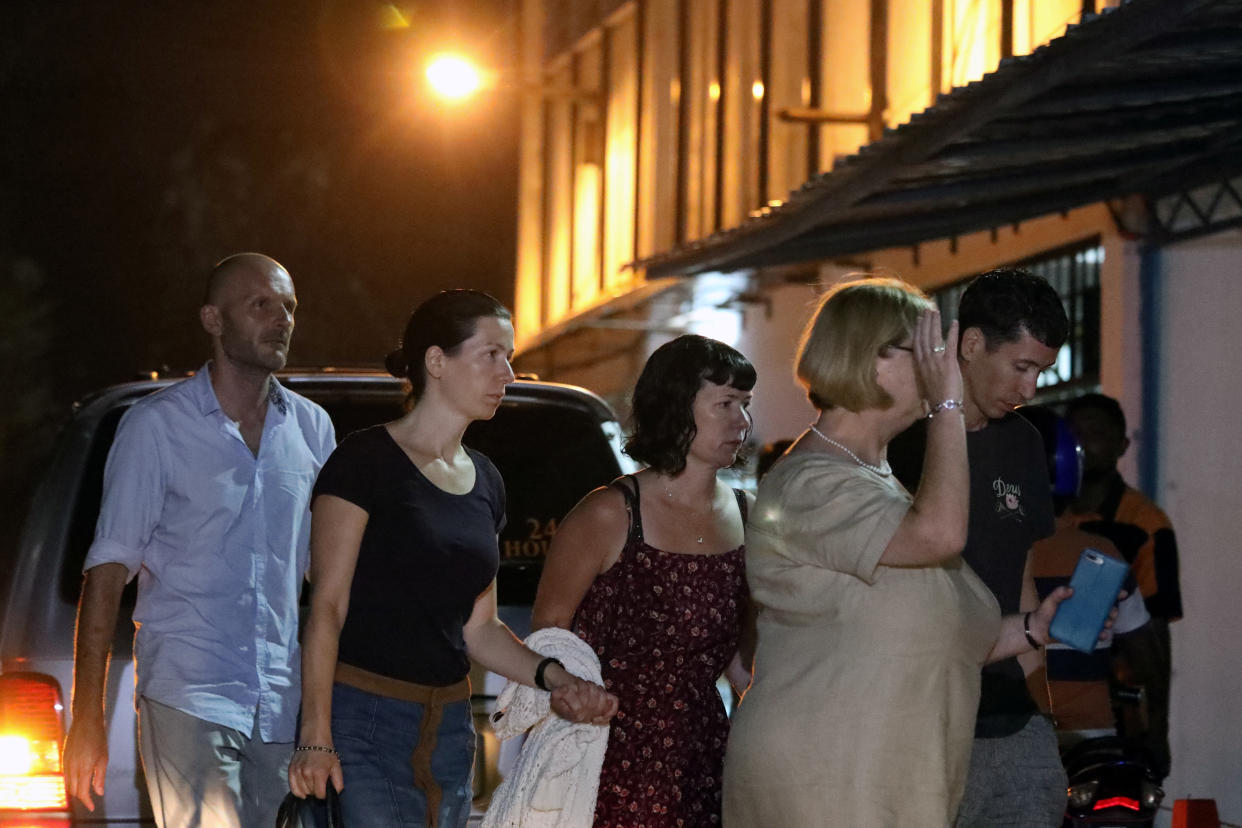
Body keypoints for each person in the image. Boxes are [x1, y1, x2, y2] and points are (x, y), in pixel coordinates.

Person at [723, 277, 1073, 827]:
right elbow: (939, 536)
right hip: (823, 779)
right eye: (929, 350)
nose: (944, 364)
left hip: (886, 777)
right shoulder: (810, 483)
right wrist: (949, 407)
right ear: (869, 359)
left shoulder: (878, 483)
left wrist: (1033, 629)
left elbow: (949, 633)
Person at [288, 289, 617, 828]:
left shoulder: (485, 479)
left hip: (448, 724)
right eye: (491, 354)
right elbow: (326, 605)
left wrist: (556, 677)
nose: (507, 372)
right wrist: (316, 736)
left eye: (509, 356)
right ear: (436, 361)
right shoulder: (365, 461)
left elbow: (480, 630)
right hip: (363, 717)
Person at [62, 253, 337, 827]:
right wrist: (86, 718)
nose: (281, 319)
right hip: (190, 692)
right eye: (261, 304)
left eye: (289, 307)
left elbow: (329, 573)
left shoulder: (312, 428)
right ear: (213, 320)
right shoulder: (155, 427)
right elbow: (108, 569)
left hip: (283, 704)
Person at [531, 334, 757, 827]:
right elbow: (548, 633)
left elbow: (743, 662)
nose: (741, 421)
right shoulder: (609, 513)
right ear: (676, 408)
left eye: (745, 404)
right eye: (724, 404)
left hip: (705, 755)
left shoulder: (748, 516)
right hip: (604, 750)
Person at [888, 266, 1071, 827]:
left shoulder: (1023, 442)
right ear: (969, 344)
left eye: (1041, 371)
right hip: (915, 723)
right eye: (1021, 367)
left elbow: (1020, 571)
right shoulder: (897, 441)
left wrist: (1039, 703)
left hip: (1010, 719)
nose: (1030, 389)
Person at [1018, 405, 1153, 747]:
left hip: (1013, 741)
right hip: (1093, 742)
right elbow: (1144, 658)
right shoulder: (1099, 554)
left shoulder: (983, 556)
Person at [1065, 391, 1181, 779]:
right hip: (1047, 708)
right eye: (1074, 433)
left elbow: (1155, 634)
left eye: (1096, 432)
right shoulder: (1046, 514)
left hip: (1116, 713)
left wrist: (1157, 731)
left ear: (1121, 445)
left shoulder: (1145, 524)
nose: (1083, 443)